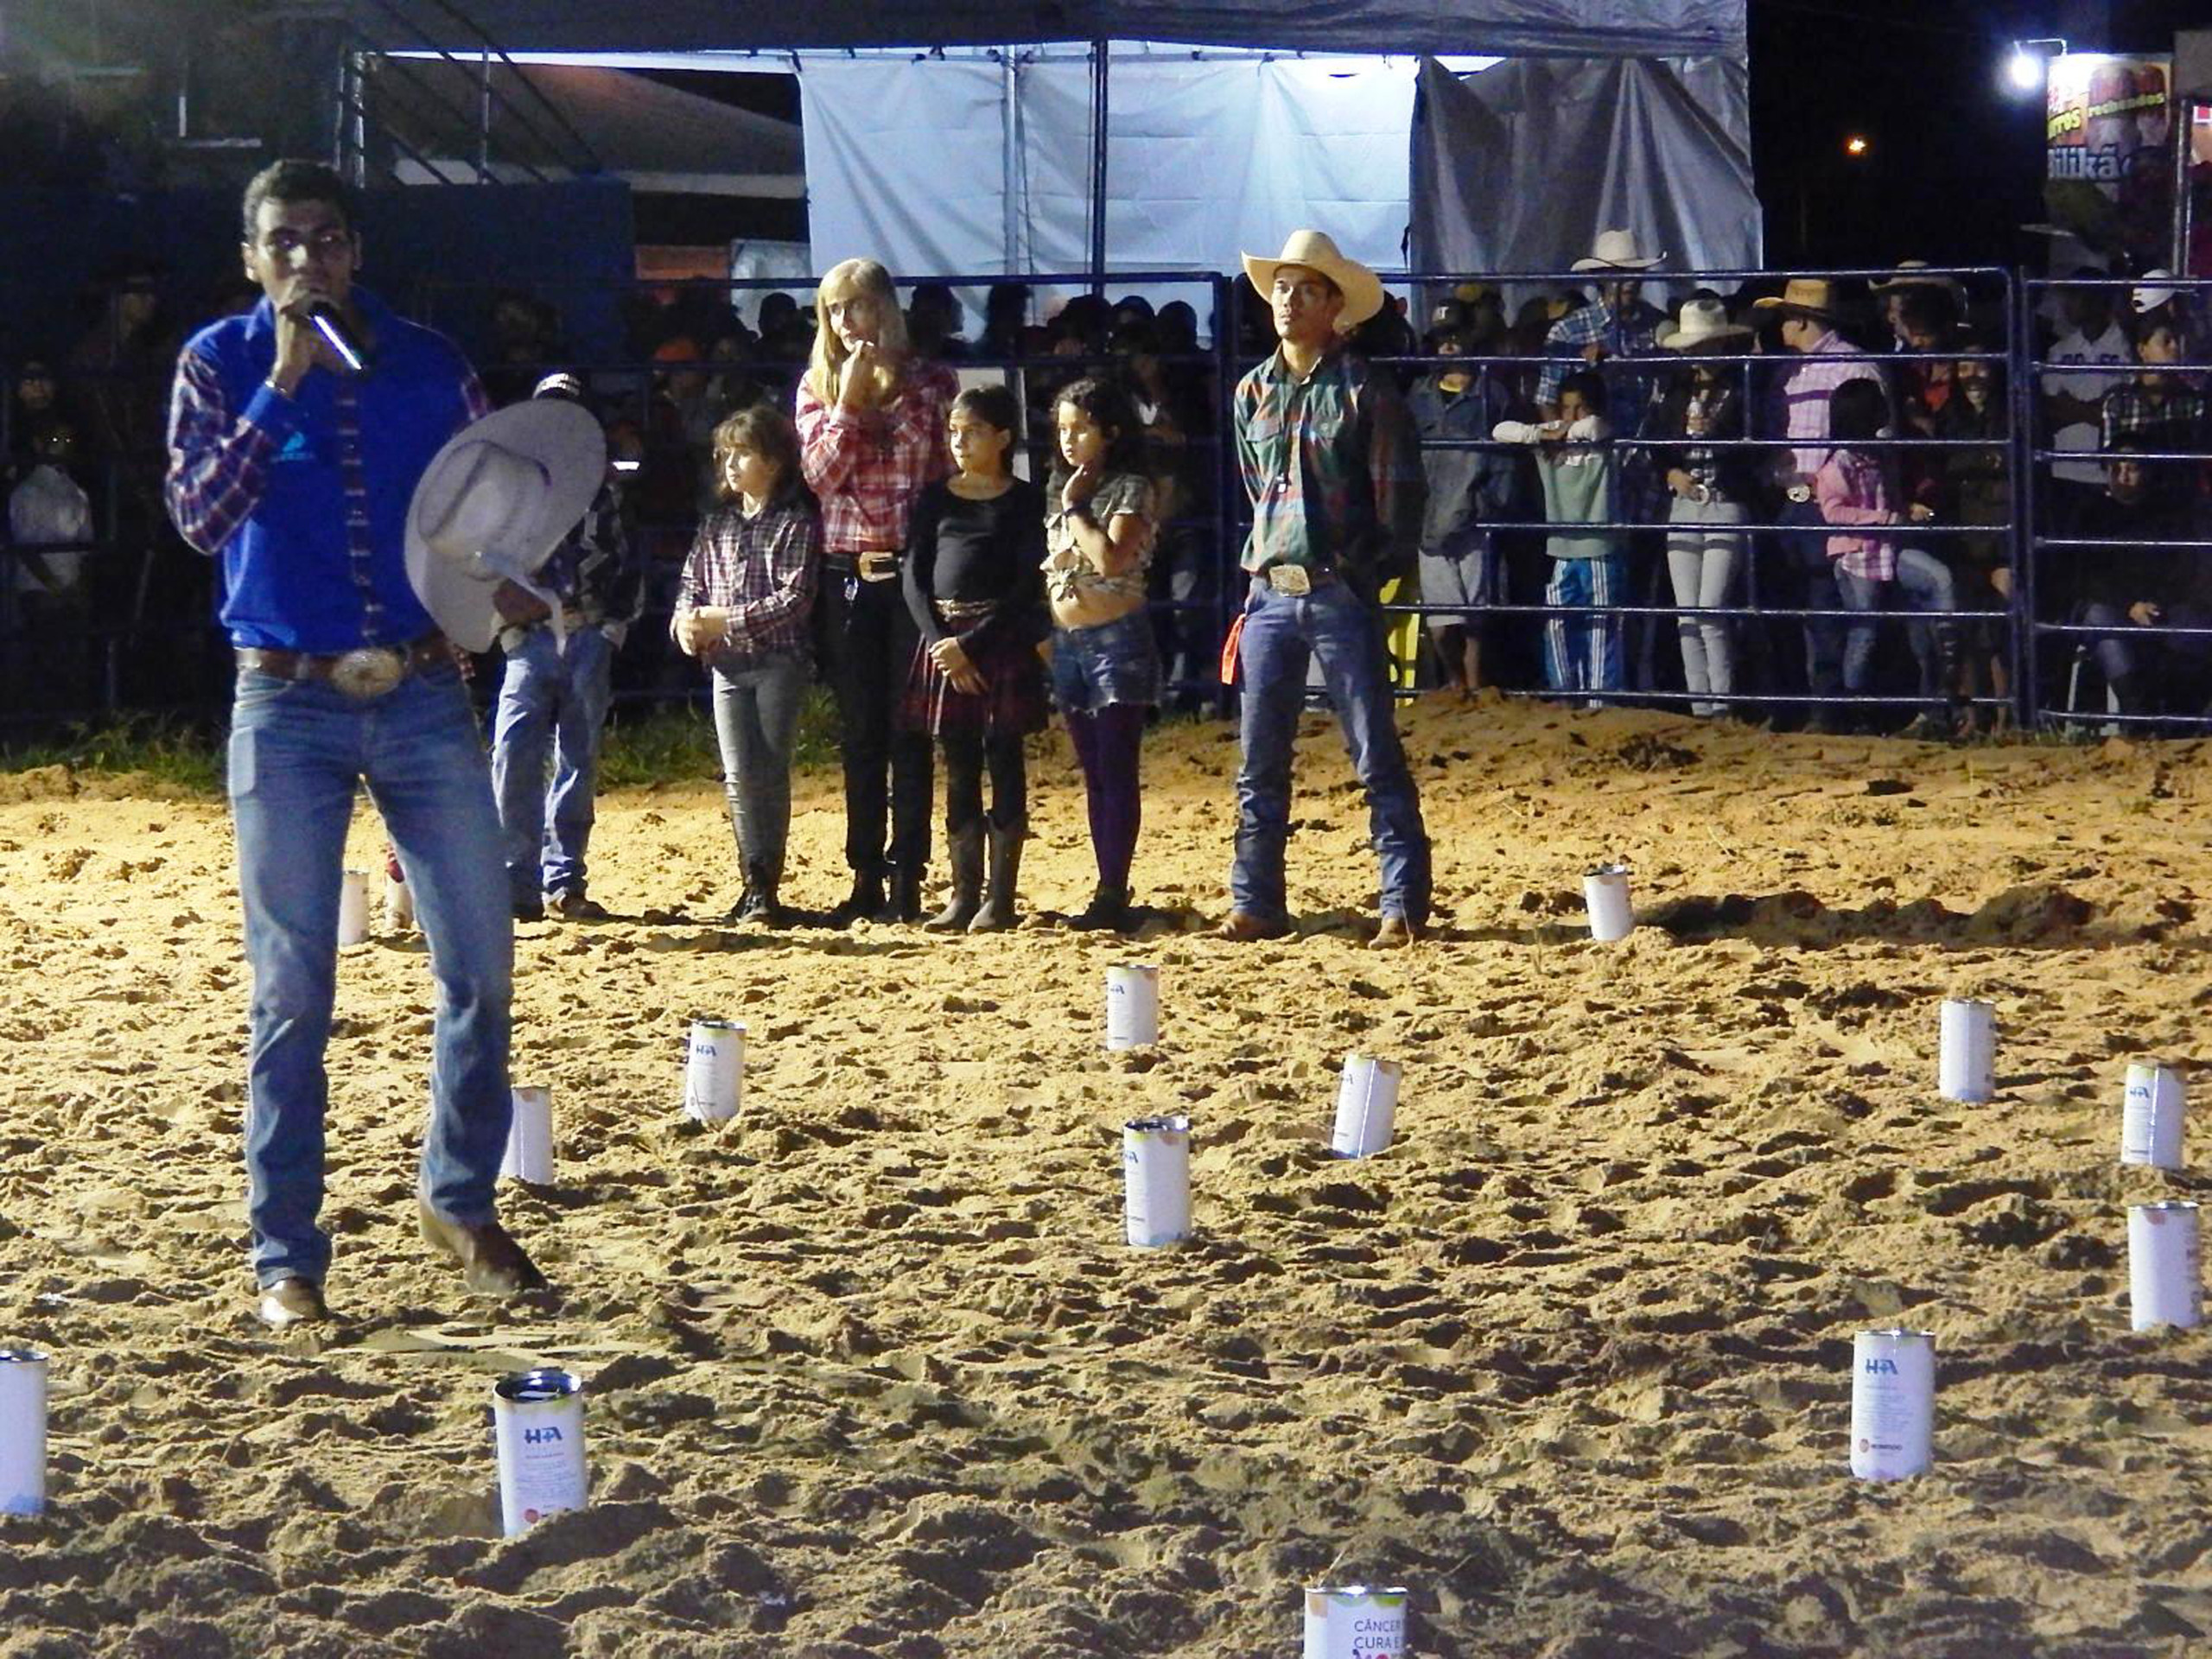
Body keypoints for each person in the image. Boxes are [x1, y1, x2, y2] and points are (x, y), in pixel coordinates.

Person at [162, 158, 545, 1331]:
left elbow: (495, 511)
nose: (306, 260)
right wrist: (279, 387)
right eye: (283, 241)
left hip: (425, 688)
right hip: (285, 700)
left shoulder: (431, 364)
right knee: (292, 990)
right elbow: (198, 518)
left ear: (356, 251)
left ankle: (460, 1200)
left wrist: (520, 582)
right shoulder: (216, 364)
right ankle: (286, 1253)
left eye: (326, 239)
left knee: (480, 963)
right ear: (250, 258)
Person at [1217, 230, 1430, 949]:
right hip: (1275, 587)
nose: (1288, 300)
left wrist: (1366, 569)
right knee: (1260, 758)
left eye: (1306, 289)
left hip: (1333, 584)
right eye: (1283, 287)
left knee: (1371, 751)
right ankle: (1258, 900)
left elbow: (1400, 503)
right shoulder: (1254, 391)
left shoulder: (1365, 389)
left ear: (1337, 307)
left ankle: (1398, 901)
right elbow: (1260, 488)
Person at [796, 258, 959, 925]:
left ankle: (908, 876)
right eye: (835, 311)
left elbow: (942, 471)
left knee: (911, 730)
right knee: (860, 731)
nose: (846, 322)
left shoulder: (932, 383)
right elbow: (820, 478)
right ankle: (864, 872)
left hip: (912, 570)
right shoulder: (814, 386)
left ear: (884, 309)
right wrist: (847, 405)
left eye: (857, 307)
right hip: (848, 574)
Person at [488, 372, 645, 922]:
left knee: (572, 757)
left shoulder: (604, 488)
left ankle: (559, 879)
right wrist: (508, 629)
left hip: (583, 630)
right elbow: (491, 566)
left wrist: (612, 627)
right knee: (517, 755)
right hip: (532, 637)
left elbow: (627, 558)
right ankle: (521, 881)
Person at [899, 385, 1048, 933]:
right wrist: (941, 641)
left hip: (996, 639)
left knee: (1004, 758)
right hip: (943, 640)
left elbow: (1026, 583)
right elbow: (914, 574)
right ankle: (963, 894)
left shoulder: (1025, 501)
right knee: (957, 765)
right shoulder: (935, 497)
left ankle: (1000, 897)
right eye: (954, 431)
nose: (960, 441)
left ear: (1004, 437)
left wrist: (972, 643)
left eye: (974, 431)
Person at [672, 404, 822, 924]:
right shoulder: (718, 525)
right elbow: (692, 582)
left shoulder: (795, 523)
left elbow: (794, 599)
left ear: (775, 462)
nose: (732, 465)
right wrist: (685, 622)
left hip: (778, 661)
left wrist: (720, 620)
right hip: (728, 665)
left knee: (768, 770)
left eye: (744, 454)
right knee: (739, 775)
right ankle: (752, 878)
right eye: (726, 455)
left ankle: (765, 880)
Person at [1042, 376, 1160, 932]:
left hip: (1116, 635)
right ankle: (1105, 882)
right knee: (1095, 772)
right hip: (1070, 639)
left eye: (1081, 428)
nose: (1069, 440)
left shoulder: (1130, 488)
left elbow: (1110, 558)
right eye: (1063, 429)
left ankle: (1114, 886)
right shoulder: (1060, 487)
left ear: (1110, 433)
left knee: (1115, 767)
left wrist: (1074, 510)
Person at [1752, 277, 1887, 731]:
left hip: (1826, 502)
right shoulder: (1792, 370)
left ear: (1801, 319)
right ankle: (1800, 703)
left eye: (1786, 316)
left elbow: (1875, 440)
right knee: (1796, 603)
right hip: (1792, 499)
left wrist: (1828, 486)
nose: (1780, 326)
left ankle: (1830, 708)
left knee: (1823, 604)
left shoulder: (1852, 368)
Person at [1815, 378, 1958, 734]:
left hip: (1888, 547)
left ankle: (1948, 642)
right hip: (1859, 555)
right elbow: (1833, 513)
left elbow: (1888, 499)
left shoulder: (1879, 454)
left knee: (1938, 580)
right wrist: (1884, 518)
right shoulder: (1839, 465)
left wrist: (1906, 509)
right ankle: (1853, 711)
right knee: (1865, 634)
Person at [1646, 298, 1758, 716]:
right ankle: (1702, 707)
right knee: (1687, 615)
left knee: (1709, 610)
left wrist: (1717, 434)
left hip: (1724, 501)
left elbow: (1755, 447)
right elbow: (1657, 445)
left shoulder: (1743, 388)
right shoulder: (1677, 391)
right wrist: (1671, 473)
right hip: (1685, 503)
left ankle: (1722, 703)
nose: (1698, 355)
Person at [1495, 372, 1624, 702]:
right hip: (1563, 548)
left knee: (1599, 627)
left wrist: (1552, 432)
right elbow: (1500, 431)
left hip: (1598, 548)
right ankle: (1565, 697)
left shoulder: (1596, 435)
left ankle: (1600, 701)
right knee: (1556, 624)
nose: (1572, 416)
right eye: (1566, 408)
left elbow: (1594, 426)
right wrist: (1544, 433)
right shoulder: (1548, 442)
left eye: (1579, 408)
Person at [1408, 324, 1516, 696]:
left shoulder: (1491, 394)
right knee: (1443, 620)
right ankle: (1458, 681)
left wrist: (1492, 505)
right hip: (1430, 516)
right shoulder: (1419, 394)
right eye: (1442, 341)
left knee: (1474, 616)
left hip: (1471, 515)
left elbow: (1504, 457)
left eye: (1456, 338)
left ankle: (1471, 683)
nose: (1449, 346)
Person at [2041, 271, 2133, 535]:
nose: (2067, 304)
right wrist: (2098, 410)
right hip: (2064, 471)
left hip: (2111, 477)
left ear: (2098, 297)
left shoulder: (2128, 347)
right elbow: (2051, 408)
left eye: (2076, 295)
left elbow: (2125, 409)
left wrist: (2074, 407)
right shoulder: (2060, 349)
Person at [2100, 319, 2209, 516]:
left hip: (2180, 507)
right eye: (2166, 341)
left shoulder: (2194, 402)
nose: (2175, 348)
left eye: (2178, 341)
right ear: (2143, 350)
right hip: (2129, 507)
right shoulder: (2118, 400)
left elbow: (2196, 463)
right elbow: (2110, 463)